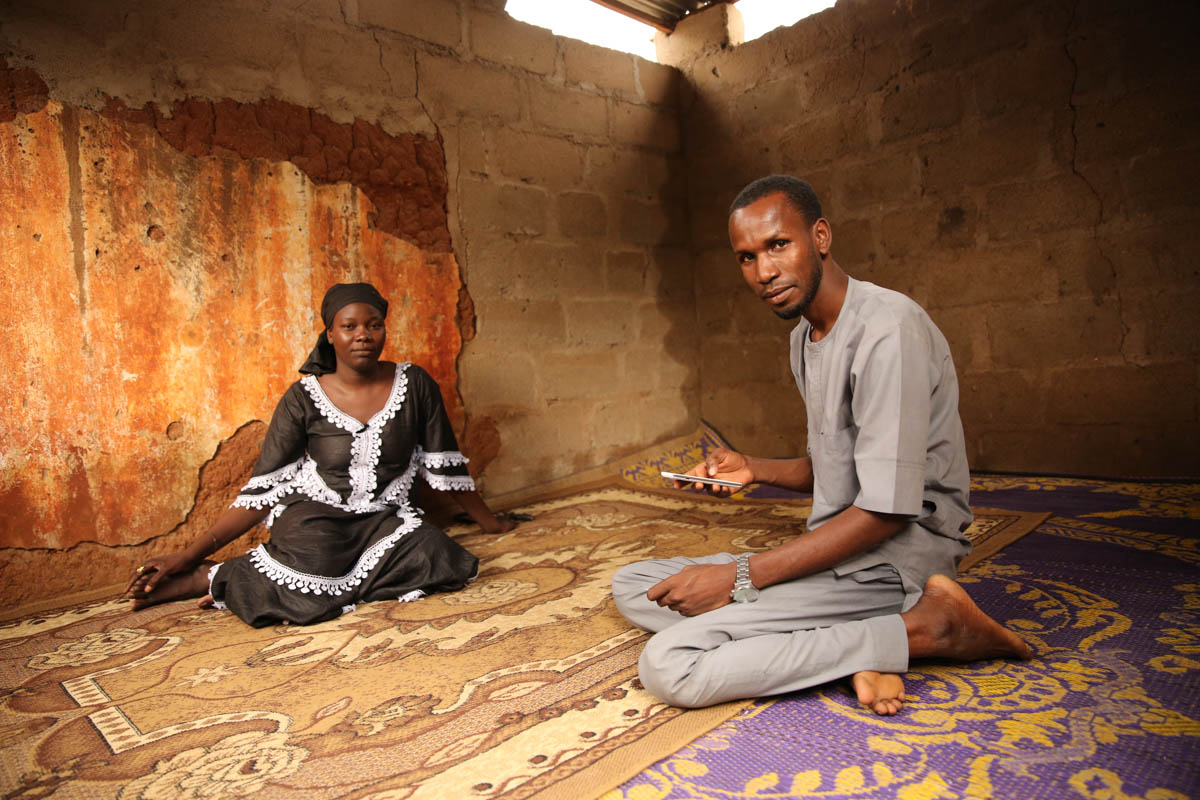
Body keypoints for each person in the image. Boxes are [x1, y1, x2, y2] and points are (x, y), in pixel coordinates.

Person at [612, 176, 1032, 714]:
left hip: (895, 562)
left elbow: (886, 510)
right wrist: (753, 467)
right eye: (746, 257)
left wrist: (738, 577)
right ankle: (856, 641)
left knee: (670, 664)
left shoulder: (888, 330)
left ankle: (928, 629)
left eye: (778, 245)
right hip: (837, 550)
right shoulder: (803, 339)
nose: (764, 272)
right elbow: (836, 469)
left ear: (821, 237)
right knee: (636, 585)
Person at [124, 282, 519, 627]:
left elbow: (445, 466)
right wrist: (189, 555)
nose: (363, 336)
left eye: (374, 325)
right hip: (315, 519)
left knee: (437, 554)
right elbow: (263, 492)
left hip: (383, 520)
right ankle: (207, 575)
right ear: (330, 334)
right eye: (349, 327)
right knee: (317, 556)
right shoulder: (303, 398)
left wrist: (491, 524)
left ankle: (273, 579)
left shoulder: (414, 384)